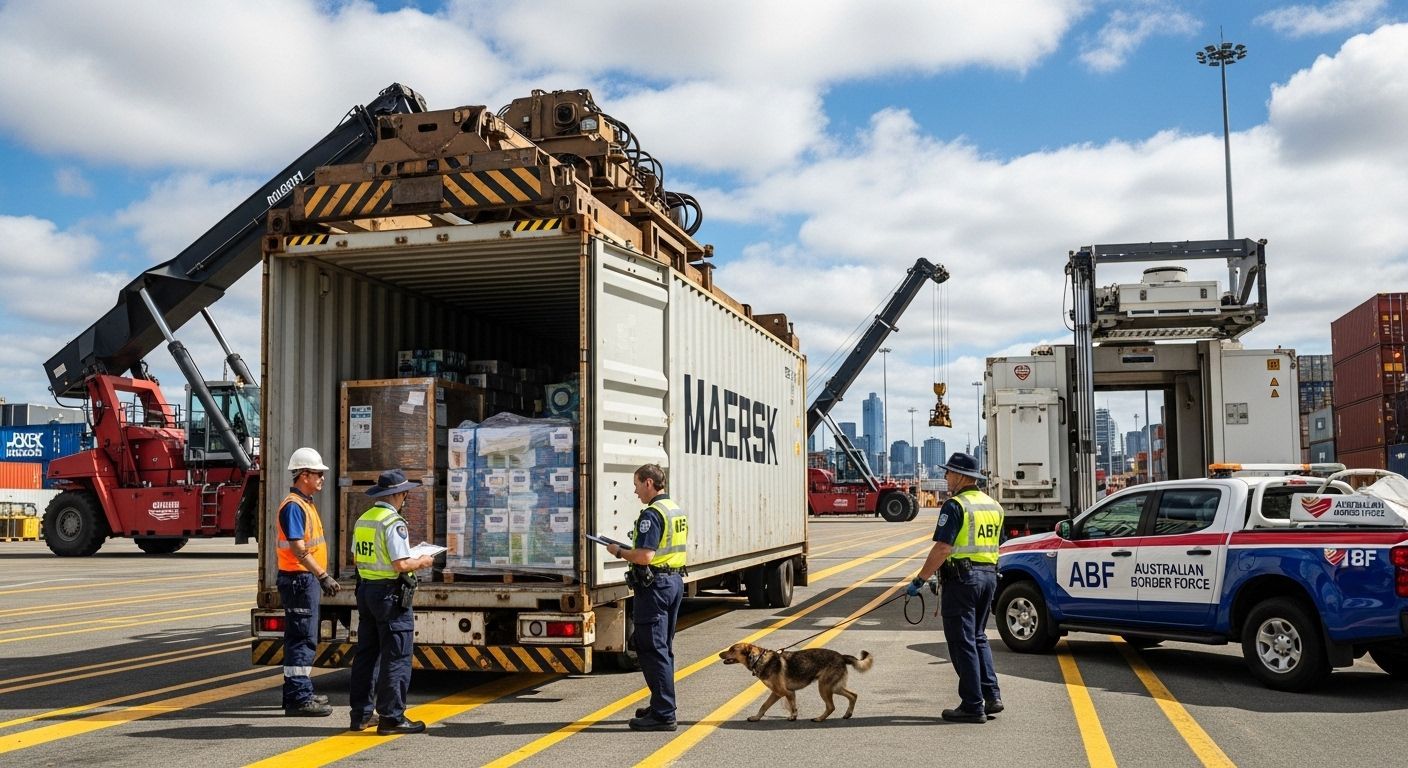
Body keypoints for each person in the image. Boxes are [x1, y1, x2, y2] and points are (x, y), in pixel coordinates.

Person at [906, 451, 1004, 724]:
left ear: (961, 476)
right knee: (978, 637)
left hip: (963, 581)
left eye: (948, 472)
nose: (946, 476)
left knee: (962, 642)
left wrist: (920, 579)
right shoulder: (994, 506)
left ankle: (973, 705)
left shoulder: (955, 505)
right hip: (988, 577)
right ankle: (991, 696)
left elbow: (943, 548)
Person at [348, 469, 436, 735]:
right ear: (400, 495)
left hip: (366, 592)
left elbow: (356, 558)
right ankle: (391, 717)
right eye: (405, 493)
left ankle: (361, 715)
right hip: (389, 595)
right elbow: (401, 564)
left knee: (366, 655)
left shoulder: (364, 519)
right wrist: (423, 561)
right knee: (396, 655)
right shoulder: (393, 522)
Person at [606, 463, 687, 732]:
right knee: (663, 648)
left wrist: (619, 552)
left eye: (637, 484)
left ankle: (663, 714)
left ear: (649, 483)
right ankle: (661, 704)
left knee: (652, 649)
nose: (635, 491)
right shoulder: (674, 509)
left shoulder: (651, 514)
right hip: (673, 581)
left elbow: (645, 556)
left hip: (656, 588)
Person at [276, 446, 340, 717]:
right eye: (318, 474)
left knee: (301, 637)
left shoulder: (304, 504)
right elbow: (298, 547)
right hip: (299, 579)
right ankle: (299, 698)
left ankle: (296, 694)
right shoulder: (294, 506)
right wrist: (322, 575)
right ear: (304, 475)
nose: (322, 478)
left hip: (302, 580)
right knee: (302, 639)